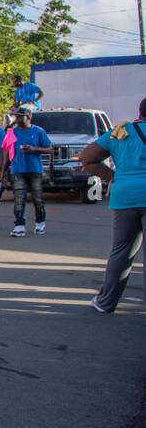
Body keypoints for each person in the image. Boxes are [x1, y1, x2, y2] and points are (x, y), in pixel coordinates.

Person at [79, 96, 146, 313]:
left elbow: (87, 158)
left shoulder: (120, 132)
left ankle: (106, 302)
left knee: (121, 251)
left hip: (125, 196)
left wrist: (111, 176)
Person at [1, 107, 53, 237]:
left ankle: (40, 223)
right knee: (19, 199)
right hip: (17, 170)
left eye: (20, 116)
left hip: (34, 169)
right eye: (16, 116)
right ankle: (19, 225)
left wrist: (34, 149)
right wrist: (2, 171)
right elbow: (7, 153)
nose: (17, 119)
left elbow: (50, 149)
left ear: (28, 117)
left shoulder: (38, 131)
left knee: (38, 198)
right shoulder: (11, 132)